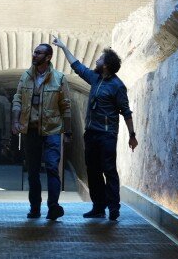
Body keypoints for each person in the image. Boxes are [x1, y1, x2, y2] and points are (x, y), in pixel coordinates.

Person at [52, 36, 137, 221]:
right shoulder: (95, 78)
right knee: (93, 170)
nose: (96, 61)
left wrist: (132, 135)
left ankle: (114, 208)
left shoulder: (117, 86)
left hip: (107, 135)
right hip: (91, 133)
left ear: (105, 65)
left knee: (109, 170)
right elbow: (77, 66)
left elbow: (126, 112)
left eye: (99, 59)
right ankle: (98, 207)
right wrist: (63, 47)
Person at [11, 43, 73, 219]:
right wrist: (15, 121)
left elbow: (66, 106)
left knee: (53, 167)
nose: (34, 55)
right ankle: (35, 208)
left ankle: (53, 207)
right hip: (30, 130)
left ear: (48, 57)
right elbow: (17, 99)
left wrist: (67, 132)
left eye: (39, 53)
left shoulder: (59, 78)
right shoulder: (25, 77)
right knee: (32, 171)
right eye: (34, 52)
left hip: (52, 130)